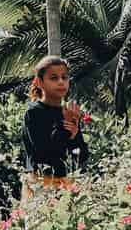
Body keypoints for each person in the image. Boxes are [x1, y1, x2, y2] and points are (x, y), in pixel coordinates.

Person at [22, 55, 89, 191]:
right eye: (53, 78)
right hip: (42, 183)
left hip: (67, 183)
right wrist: (66, 125)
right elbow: (43, 153)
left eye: (64, 77)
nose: (61, 82)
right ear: (39, 82)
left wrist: (74, 134)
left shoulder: (67, 112)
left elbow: (82, 156)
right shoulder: (34, 112)